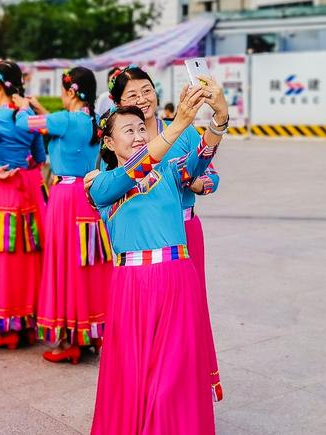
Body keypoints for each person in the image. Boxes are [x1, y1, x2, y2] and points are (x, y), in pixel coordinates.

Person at [87, 81, 228, 433]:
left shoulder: (167, 172)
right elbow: (134, 169)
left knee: (172, 379)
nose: (138, 135)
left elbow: (201, 160)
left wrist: (219, 119)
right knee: (135, 376)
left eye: (141, 128)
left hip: (178, 281)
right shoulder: (99, 184)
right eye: (128, 130)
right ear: (108, 142)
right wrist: (179, 123)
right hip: (132, 288)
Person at [13, 67, 111, 365]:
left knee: (65, 266)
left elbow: (24, 125)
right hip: (90, 197)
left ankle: (69, 339)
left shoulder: (64, 121)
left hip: (65, 200)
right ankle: (92, 332)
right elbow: (58, 124)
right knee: (89, 265)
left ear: (70, 91)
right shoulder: (92, 120)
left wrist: (21, 106)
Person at [0, 59, 47, 350]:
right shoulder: (27, 118)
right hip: (27, 195)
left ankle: (8, 328)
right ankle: (27, 325)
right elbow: (39, 157)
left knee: (2, 260)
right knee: (27, 258)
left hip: (1, 193)